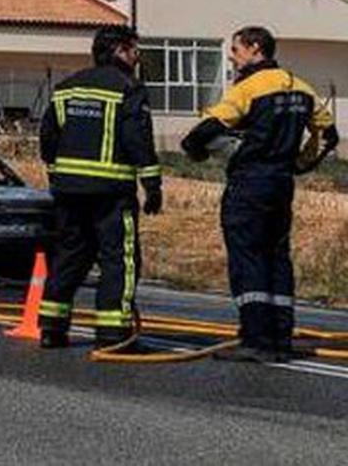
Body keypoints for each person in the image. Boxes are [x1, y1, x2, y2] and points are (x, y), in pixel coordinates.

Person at [182, 26, 338, 363]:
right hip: (281, 183)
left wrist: (196, 149)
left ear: (255, 48)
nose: (234, 61)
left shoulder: (248, 89)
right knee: (277, 257)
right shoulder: (300, 86)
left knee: (248, 257)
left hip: (249, 182)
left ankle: (255, 339)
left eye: (236, 52)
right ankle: (281, 336)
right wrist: (300, 163)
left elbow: (206, 131)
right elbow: (329, 135)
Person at [37, 25, 163, 350]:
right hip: (111, 191)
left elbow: (48, 137)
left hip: (67, 190)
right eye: (134, 49)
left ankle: (51, 327)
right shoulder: (128, 88)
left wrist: (57, 175)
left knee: (70, 255)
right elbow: (138, 140)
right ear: (120, 50)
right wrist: (152, 184)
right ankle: (113, 333)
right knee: (119, 259)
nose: (137, 56)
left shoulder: (66, 88)